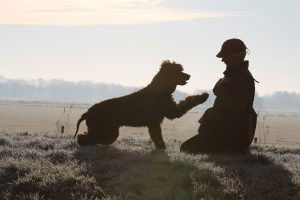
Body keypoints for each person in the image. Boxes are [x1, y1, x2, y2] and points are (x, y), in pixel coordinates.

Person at [180, 38, 258, 154]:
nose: (222, 60)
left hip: (230, 136)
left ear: (235, 57)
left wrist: (208, 121)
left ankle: (230, 150)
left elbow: (231, 113)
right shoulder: (234, 76)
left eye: (225, 56)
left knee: (187, 149)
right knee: (187, 147)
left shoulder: (241, 79)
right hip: (227, 133)